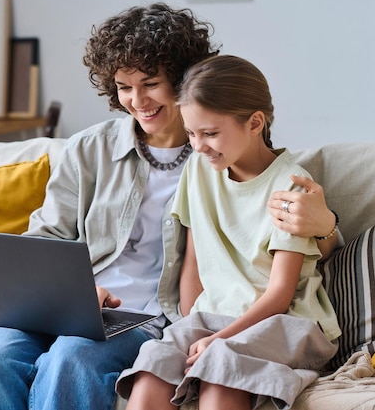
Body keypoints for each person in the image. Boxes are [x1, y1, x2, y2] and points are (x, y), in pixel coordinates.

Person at [0, 4, 338, 410]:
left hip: (142, 317)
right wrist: (73, 292)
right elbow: (44, 239)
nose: (137, 100)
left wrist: (326, 224)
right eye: (123, 86)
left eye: (151, 83)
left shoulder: (217, 155)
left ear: (183, 80)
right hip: (64, 306)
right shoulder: (89, 149)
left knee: (72, 358)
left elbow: (289, 241)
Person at [115, 55, 342, 410]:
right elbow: (194, 262)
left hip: (284, 322)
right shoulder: (198, 170)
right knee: (152, 367)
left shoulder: (290, 186)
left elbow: (280, 293)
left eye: (210, 133)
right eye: (191, 133)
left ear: (254, 123)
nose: (199, 145)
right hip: (212, 317)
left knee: (220, 369)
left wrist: (218, 339)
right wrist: (191, 327)